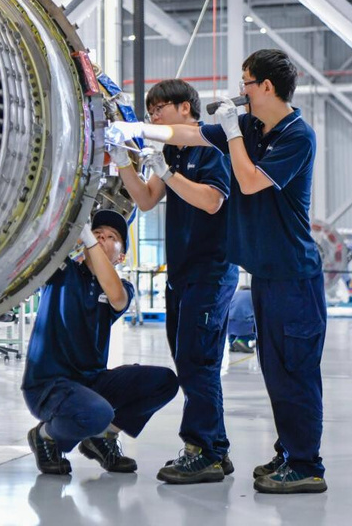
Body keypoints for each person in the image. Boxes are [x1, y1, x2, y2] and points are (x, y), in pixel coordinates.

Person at [107, 49, 327, 494]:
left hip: (293, 274)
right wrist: (134, 130)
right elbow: (186, 134)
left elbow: (246, 182)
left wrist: (228, 135)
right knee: (274, 370)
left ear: (266, 86)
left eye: (246, 82)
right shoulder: (250, 128)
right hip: (265, 272)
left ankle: (305, 464)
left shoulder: (296, 136)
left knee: (294, 371)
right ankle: (289, 452)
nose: (239, 91)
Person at [110, 79, 238, 484]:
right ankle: (215, 448)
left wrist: (168, 172)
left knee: (197, 362)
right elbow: (146, 200)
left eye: (160, 108)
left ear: (186, 108)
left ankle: (200, 449)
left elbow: (212, 200)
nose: (154, 117)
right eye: (150, 112)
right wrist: (125, 162)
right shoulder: (172, 151)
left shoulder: (211, 145)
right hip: (181, 274)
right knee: (189, 362)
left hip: (211, 271)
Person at [22, 210, 179, 476]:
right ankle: (46, 437)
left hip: (90, 383)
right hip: (49, 386)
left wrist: (91, 243)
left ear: (121, 256)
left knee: (165, 382)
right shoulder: (63, 272)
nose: (101, 238)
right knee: (97, 413)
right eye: (96, 233)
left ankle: (102, 438)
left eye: (111, 237)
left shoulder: (122, 287)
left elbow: (116, 296)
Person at [228, 286, 256, 353]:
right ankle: (241, 340)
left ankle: (232, 344)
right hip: (243, 325)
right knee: (259, 326)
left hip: (228, 326)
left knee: (233, 321)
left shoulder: (234, 294)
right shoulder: (253, 294)